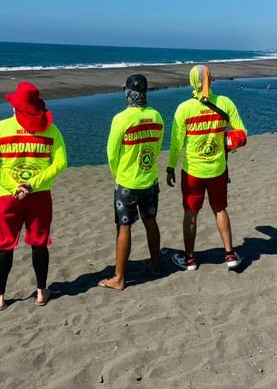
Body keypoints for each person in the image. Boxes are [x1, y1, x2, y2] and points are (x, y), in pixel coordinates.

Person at [0, 82, 67, 310]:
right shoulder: (51, 130)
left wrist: (13, 186)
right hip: (39, 196)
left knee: (4, 245)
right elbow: (60, 163)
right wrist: (32, 184)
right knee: (39, 243)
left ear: (16, 107)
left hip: (9, 197)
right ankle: (41, 291)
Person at [167, 65, 247, 271]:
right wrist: (227, 147)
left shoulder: (184, 108)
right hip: (218, 170)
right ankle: (230, 254)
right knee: (220, 209)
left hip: (193, 171)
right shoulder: (224, 102)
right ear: (210, 79)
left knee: (190, 213)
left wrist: (170, 167)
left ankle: (190, 259)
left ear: (193, 81)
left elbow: (176, 144)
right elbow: (242, 133)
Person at [99, 74, 165, 291]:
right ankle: (155, 264)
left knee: (124, 226)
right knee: (150, 221)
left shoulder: (121, 118)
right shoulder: (156, 116)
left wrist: (118, 174)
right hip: (149, 179)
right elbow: (157, 147)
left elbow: (111, 153)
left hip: (128, 181)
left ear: (128, 92)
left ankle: (119, 278)